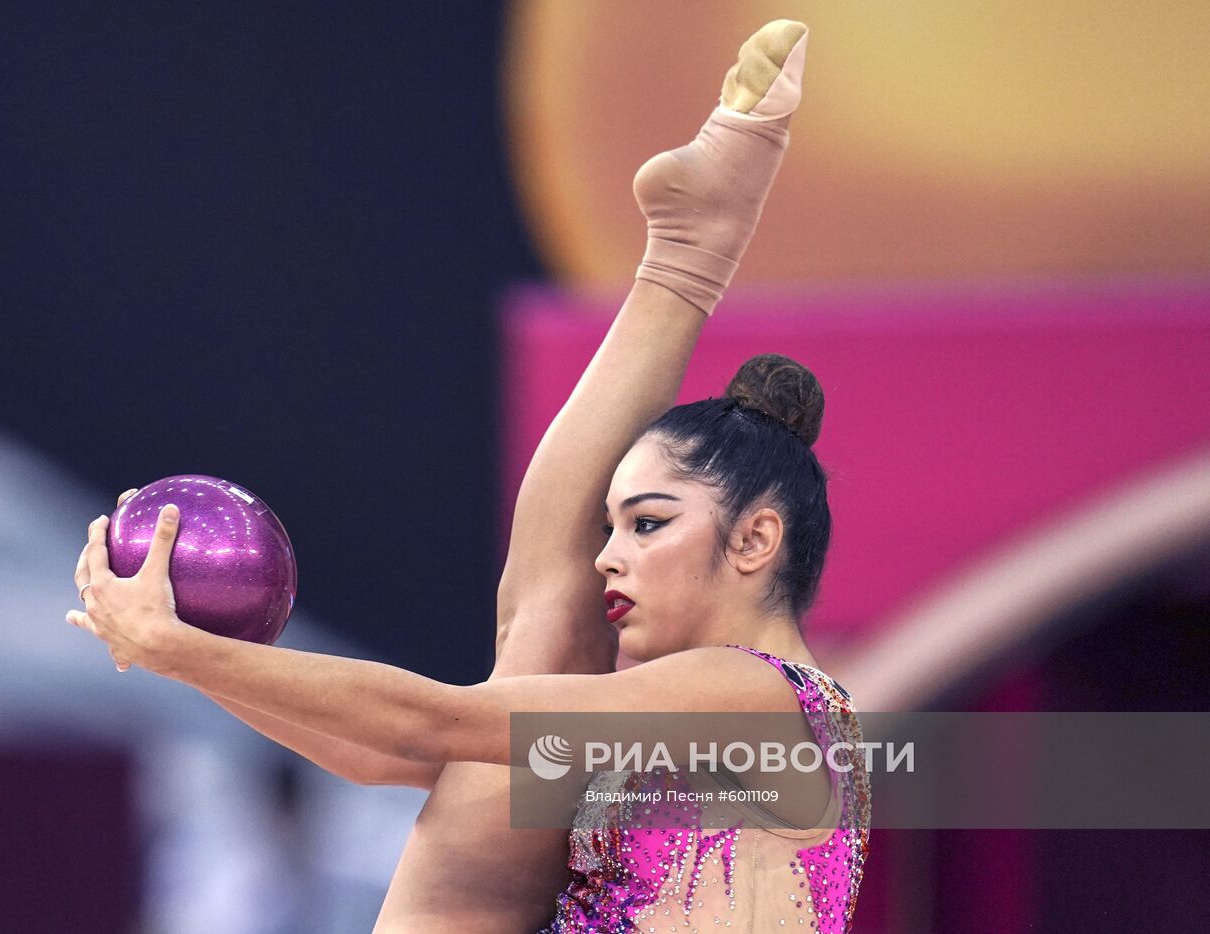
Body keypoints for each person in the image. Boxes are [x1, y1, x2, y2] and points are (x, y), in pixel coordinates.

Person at [69, 18, 872, 932]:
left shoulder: (757, 696)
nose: (610, 555)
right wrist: (189, 659)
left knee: (541, 625)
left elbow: (429, 725)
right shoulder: (672, 713)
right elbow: (386, 756)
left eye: (646, 525)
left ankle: (689, 256)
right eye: (610, 527)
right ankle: (688, 252)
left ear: (757, 539)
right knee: (537, 634)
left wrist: (184, 650)